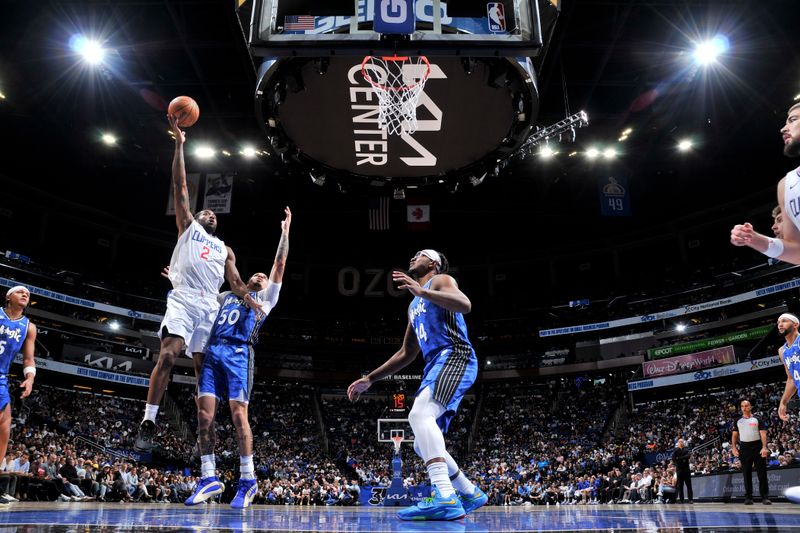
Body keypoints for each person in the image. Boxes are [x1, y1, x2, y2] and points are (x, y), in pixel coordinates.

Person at [135, 114, 257, 452]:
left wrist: (252, 297)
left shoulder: (225, 249)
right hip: (184, 300)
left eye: (214, 214)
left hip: (210, 307)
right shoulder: (188, 228)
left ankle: (207, 426)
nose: (211, 214)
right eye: (206, 213)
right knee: (170, 356)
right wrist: (179, 145)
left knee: (206, 371)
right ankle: (149, 418)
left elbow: (235, 283)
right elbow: (181, 187)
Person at [347, 249, 486, 521]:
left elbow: (464, 304)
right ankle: (468, 492)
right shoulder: (412, 305)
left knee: (419, 414)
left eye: (420, 254)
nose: (412, 257)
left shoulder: (440, 280)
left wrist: (422, 292)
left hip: (455, 354)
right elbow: (407, 353)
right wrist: (370, 378)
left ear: (433, 263)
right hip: (435, 364)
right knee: (423, 444)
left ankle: (445, 495)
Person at [184, 207, 291, 509]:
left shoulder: (266, 300)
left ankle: (248, 479)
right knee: (204, 415)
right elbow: (201, 297)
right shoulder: (228, 295)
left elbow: (279, 263)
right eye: (256, 273)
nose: (261, 275)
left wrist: (284, 232)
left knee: (237, 415)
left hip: (239, 353)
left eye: (264, 276)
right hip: (213, 350)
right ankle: (208, 477)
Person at [730, 103, 800, 260]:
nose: (783, 129)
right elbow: (797, 251)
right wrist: (755, 239)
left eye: (793, 120)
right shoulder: (786, 185)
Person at [0, 286, 36, 504]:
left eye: (28, 294)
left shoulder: (29, 327)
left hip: (1, 377)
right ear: (8, 297)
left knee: (5, 425)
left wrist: (30, 379)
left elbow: (28, 359)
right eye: (20, 291)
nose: (25, 294)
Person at [731, 400, 770, 505]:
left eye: (746, 405)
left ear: (750, 407)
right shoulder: (737, 420)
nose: (744, 407)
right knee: (746, 473)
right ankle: (748, 497)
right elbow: (734, 436)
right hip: (744, 448)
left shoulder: (757, 419)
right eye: (742, 406)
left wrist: (764, 447)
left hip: (757, 447)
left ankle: (765, 497)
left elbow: (763, 434)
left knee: (762, 473)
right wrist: (734, 448)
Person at [672, 438, 693, 504]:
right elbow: (674, 459)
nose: (681, 443)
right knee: (680, 485)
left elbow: (688, 456)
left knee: (688, 485)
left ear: (683, 442)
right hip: (679, 469)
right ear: (678, 443)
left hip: (686, 469)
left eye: (682, 442)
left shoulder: (686, 449)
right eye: (680, 442)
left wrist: (679, 458)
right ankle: (681, 500)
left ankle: (690, 499)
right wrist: (682, 458)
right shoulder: (675, 450)